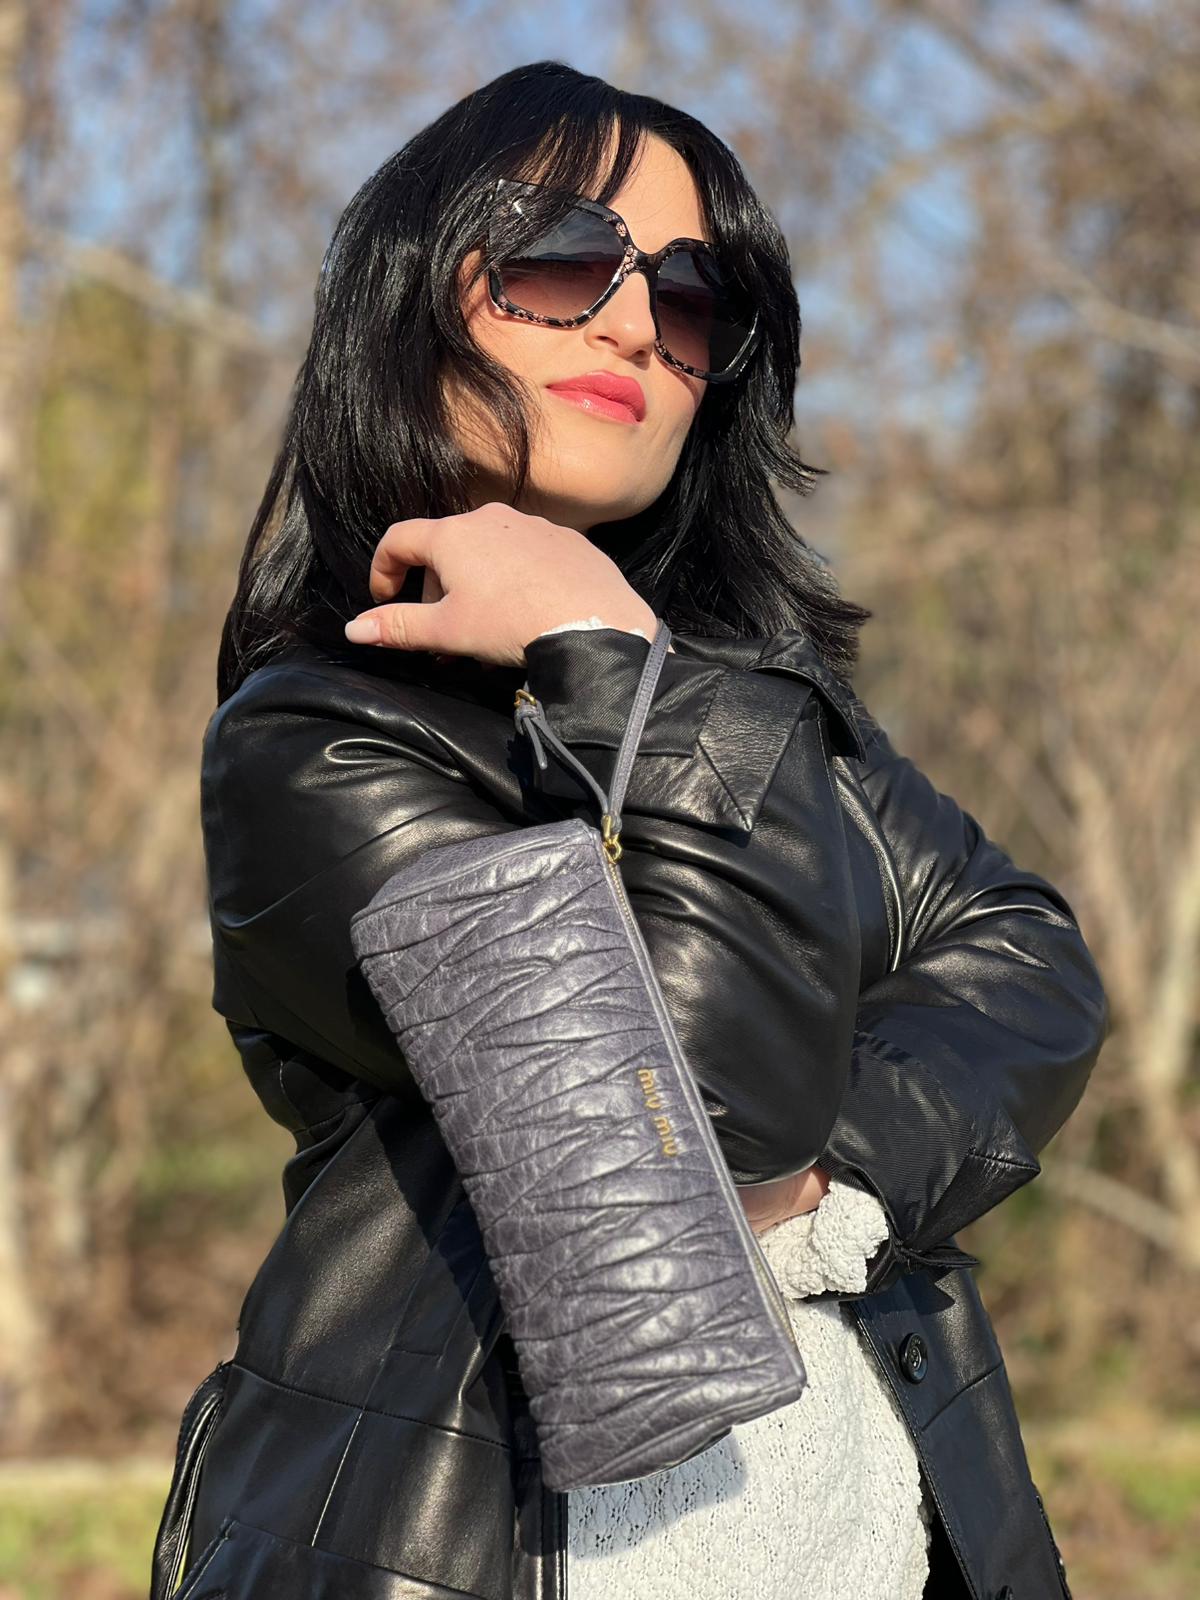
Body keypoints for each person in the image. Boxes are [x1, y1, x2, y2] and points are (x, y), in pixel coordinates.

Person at [151, 60, 1108, 1600]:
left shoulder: (753, 713)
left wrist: (839, 1185)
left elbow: (1027, 957)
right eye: (559, 257)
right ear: (409, 292)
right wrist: (613, 653)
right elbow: (696, 1138)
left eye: (691, 294)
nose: (633, 324)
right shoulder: (318, 741)